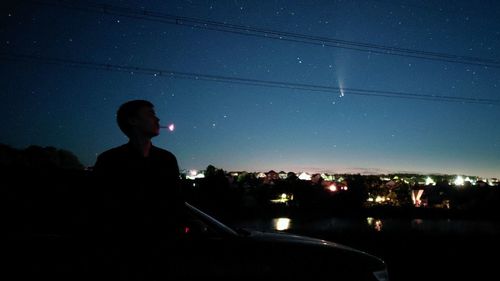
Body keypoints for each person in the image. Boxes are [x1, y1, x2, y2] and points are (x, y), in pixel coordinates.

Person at [91, 100, 184, 279]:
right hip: (122, 253)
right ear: (132, 121)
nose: (157, 119)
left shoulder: (166, 159)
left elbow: (175, 203)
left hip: (163, 251)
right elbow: (99, 208)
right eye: (150, 114)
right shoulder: (110, 161)